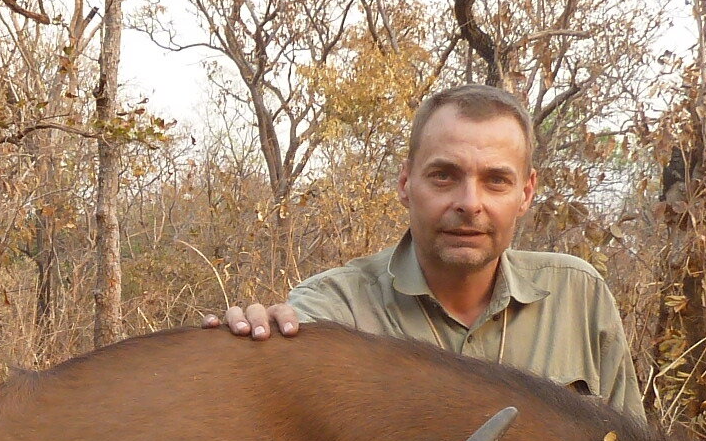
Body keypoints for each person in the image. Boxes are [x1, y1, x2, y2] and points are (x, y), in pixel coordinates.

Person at [215, 84, 644, 420]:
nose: (470, 203)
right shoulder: (335, 307)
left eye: (496, 180)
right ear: (405, 183)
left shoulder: (578, 294)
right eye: (443, 176)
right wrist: (243, 347)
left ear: (526, 192)